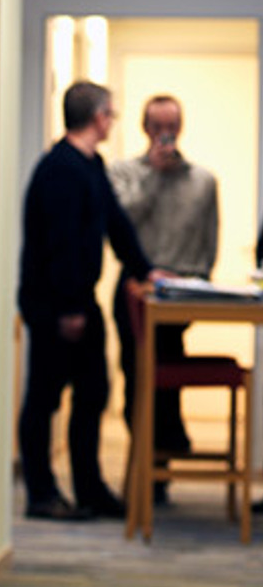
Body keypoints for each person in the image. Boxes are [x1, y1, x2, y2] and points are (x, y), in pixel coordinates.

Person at [18, 81, 156, 520]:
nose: (112, 121)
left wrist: (146, 271)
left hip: (78, 298)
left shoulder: (91, 165)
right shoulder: (60, 169)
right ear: (98, 118)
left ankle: (90, 489)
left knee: (94, 390)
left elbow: (116, 224)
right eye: (110, 114)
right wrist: (70, 309)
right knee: (44, 397)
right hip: (55, 303)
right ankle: (41, 494)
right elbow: (61, 246)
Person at [109, 95, 218, 491]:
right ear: (145, 128)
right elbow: (120, 221)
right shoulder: (124, 173)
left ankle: (163, 463)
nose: (165, 135)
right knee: (136, 377)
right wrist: (153, 176)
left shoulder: (202, 181)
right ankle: (145, 466)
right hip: (136, 288)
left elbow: (209, 237)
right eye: (158, 127)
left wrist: (200, 282)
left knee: (168, 378)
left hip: (182, 291)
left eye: (171, 126)